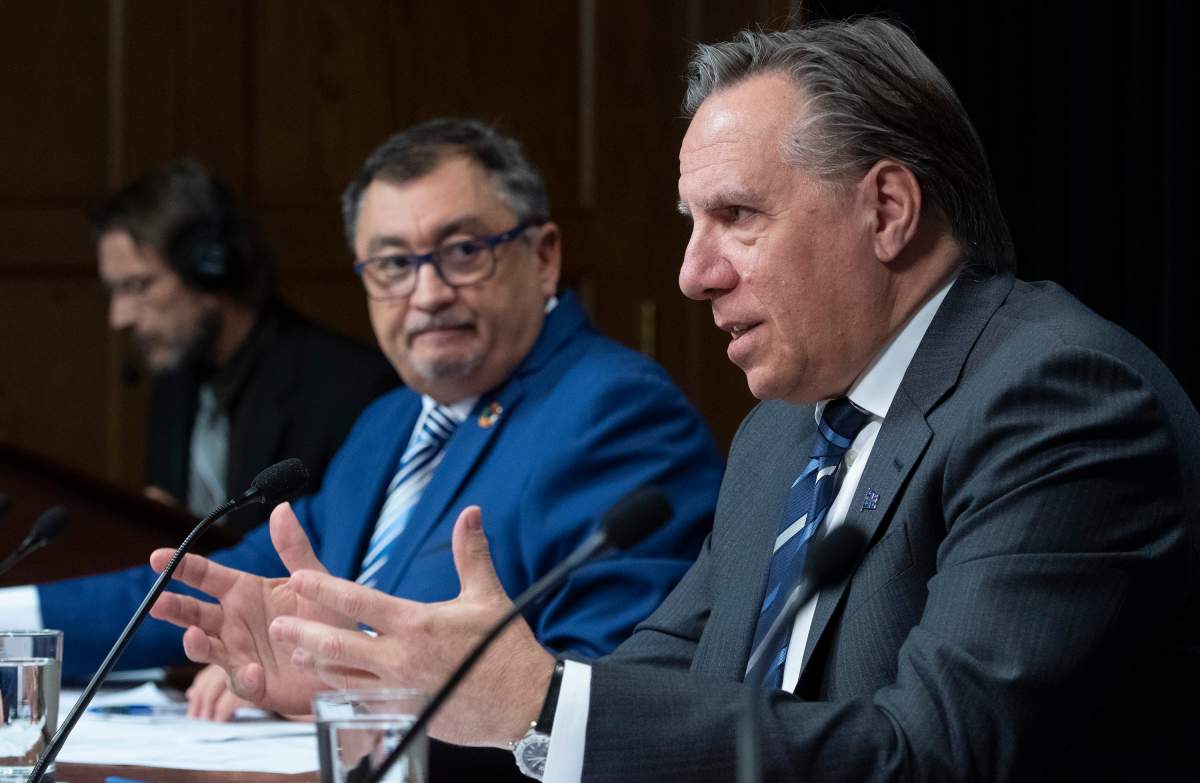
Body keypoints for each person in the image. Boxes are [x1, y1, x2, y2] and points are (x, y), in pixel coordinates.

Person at [150, 18, 1200, 783]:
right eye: (692, 224)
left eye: (737, 216)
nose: (695, 274)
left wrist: (537, 699)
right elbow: (646, 694)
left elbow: (932, 758)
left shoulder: (1059, 403)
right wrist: (399, 694)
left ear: (887, 209)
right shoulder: (785, 431)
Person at [34, 118, 723, 731]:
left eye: (463, 251)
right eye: (393, 264)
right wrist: (17, 624)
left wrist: (353, 693)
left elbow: (606, 710)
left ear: (543, 257)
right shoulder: (390, 421)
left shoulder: (616, 412)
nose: (427, 293)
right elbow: (225, 582)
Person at [94, 159, 399, 529]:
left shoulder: (353, 390)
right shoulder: (173, 386)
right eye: (114, 291)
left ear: (211, 267)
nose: (119, 318)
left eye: (138, 286)